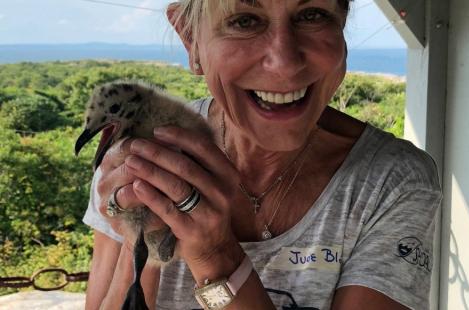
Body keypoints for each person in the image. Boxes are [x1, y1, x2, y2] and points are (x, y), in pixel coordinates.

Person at [83, 0, 442, 309]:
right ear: (190, 40)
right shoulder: (138, 150)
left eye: (312, 15)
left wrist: (215, 255)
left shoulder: (391, 181)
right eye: (244, 21)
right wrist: (144, 243)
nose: (284, 63)